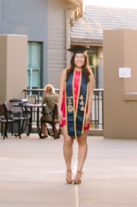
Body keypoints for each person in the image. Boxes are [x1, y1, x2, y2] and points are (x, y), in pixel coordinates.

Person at [59, 48, 93, 185]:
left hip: (82, 110)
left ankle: (79, 171)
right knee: (67, 140)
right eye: (77, 57)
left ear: (85, 59)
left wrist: (89, 112)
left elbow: (90, 95)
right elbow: (61, 91)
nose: (79, 59)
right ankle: (68, 170)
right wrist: (59, 109)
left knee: (82, 140)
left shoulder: (89, 74)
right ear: (73, 58)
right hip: (67, 110)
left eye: (82, 57)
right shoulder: (66, 73)